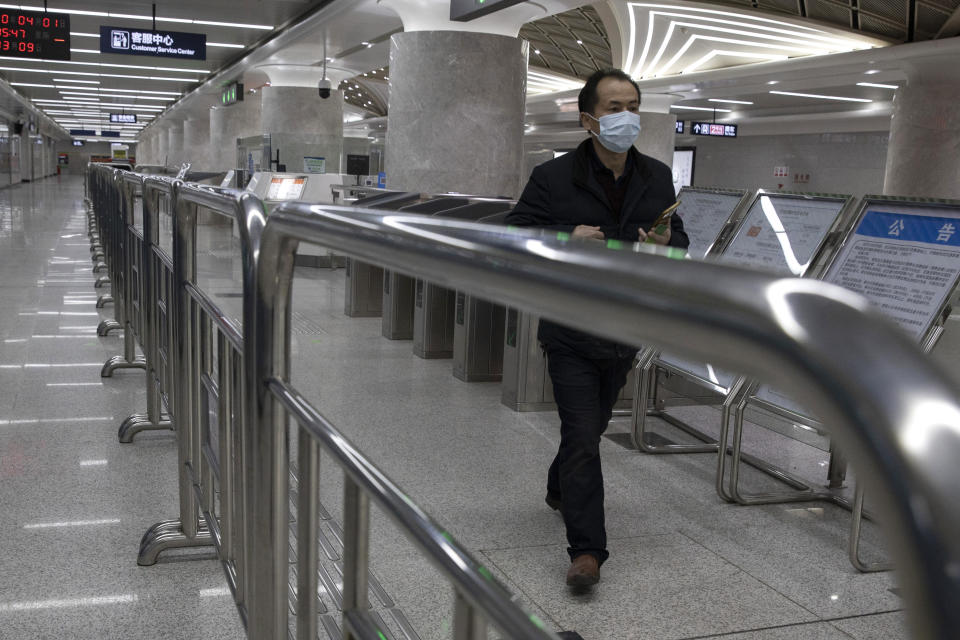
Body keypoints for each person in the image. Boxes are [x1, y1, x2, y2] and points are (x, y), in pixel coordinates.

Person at [506, 68, 689, 587]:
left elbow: (678, 240)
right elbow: (516, 233)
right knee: (585, 435)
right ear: (589, 119)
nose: (625, 116)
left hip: (624, 322)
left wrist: (663, 245)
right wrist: (567, 237)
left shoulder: (656, 176)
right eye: (613, 107)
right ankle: (588, 551)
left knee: (587, 429)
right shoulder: (554, 177)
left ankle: (560, 487)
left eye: (632, 105)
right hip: (570, 325)